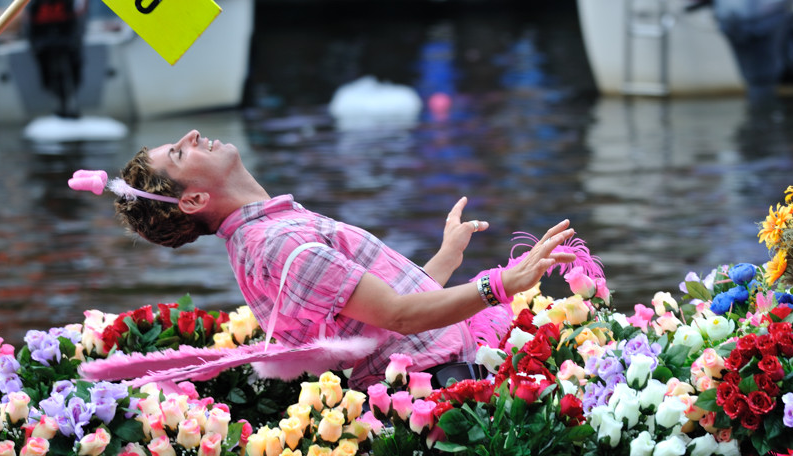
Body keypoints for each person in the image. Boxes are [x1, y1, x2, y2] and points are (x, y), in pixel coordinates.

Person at [111, 130, 576, 389]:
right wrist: (501, 285)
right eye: (178, 152)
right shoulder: (277, 244)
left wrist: (444, 259)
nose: (192, 136)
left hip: (441, 384)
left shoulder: (268, 235)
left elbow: (380, 320)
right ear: (192, 200)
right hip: (440, 394)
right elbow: (400, 316)